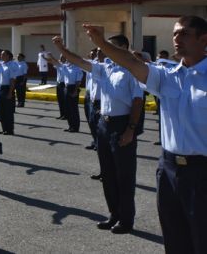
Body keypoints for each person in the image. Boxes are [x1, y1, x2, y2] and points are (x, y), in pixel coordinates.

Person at [84, 17, 207, 253]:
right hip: (169, 169)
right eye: (174, 34)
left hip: (202, 171)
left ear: (204, 39)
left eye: (184, 34)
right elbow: (130, 62)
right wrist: (101, 42)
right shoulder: (167, 76)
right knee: (174, 236)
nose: (177, 39)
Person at [51, 34, 142, 234]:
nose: (103, 49)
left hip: (122, 124)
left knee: (124, 175)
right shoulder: (104, 68)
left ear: (124, 48)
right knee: (108, 174)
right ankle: (114, 214)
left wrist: (130, 130)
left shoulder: (133, 70)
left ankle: (126, 219)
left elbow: (137, 101)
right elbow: (80, 61)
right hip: (104, 124)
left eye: (110, 46)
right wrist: (62, 48)